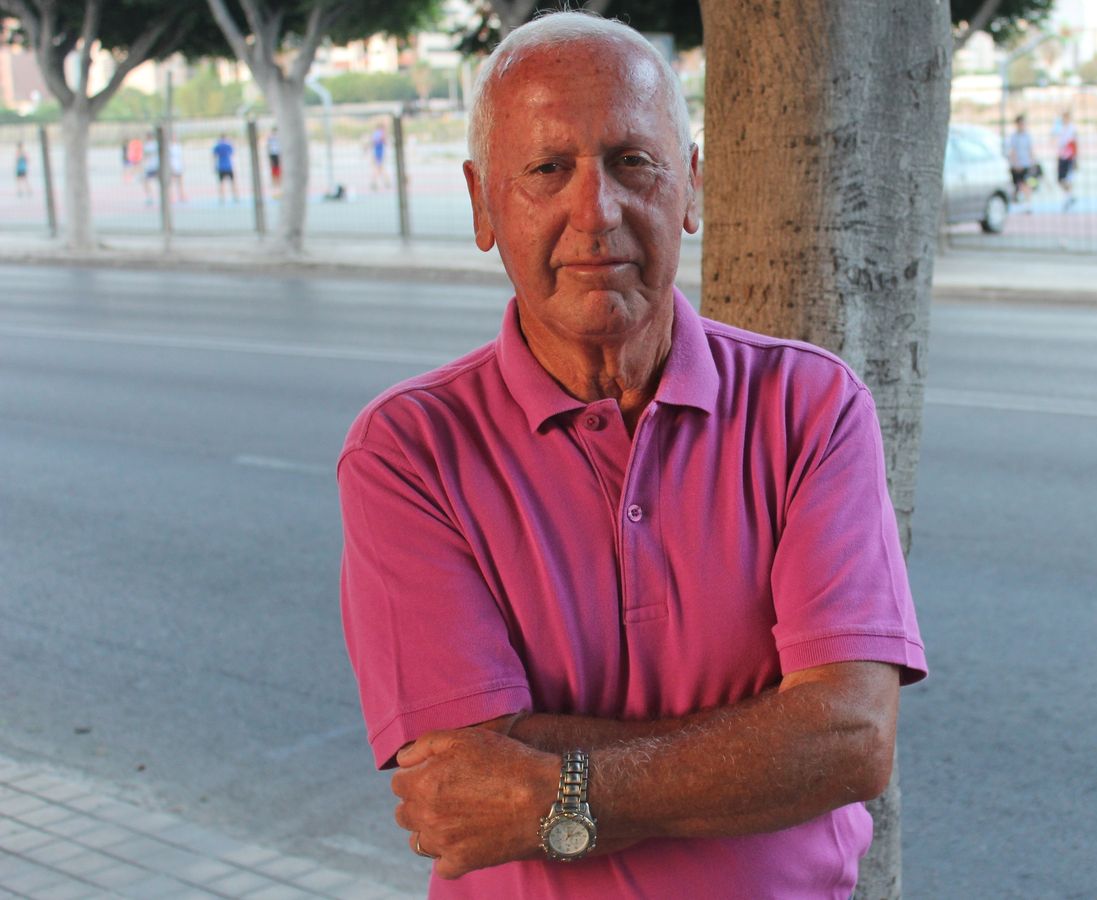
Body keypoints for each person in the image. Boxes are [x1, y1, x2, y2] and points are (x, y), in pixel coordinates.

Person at [337, 11, 925, 899]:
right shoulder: (409, 451)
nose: (596, 211)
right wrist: (762, 741)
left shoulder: (810, 408)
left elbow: (846, 740)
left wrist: (555, 787)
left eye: (632, 162)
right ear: (482, 204)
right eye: (547, 169)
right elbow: (460, 786)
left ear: (689, 187)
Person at [1004, 113, 1034, 204]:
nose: (1022, 126)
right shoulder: (1014, 137)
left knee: (1027, 184)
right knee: (1018, 185)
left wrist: (1032, 162)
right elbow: (1012, 151)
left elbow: (1030, 150)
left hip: (1026, 164)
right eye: (1020, 124)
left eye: (1023, 123)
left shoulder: (1028, 136)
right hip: (1017, 165)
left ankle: (1028, 203)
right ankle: (1019, 200)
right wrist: (1016, 164)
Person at [1051, 109, 1078, 208]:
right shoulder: (1060, 128)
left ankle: (1068, 197)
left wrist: (1075, 159)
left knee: (1068, 179)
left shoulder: (1072, 129)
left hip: (1069, 157)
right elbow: (1054, 139)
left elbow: (1075, 145)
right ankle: (1070, 196)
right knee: (1059, 180)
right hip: (1061, 156)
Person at [212, 133, 239, 204]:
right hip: (228, 166)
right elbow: (232, 155)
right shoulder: (228, 145)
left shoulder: (217, 146)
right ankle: (235, 196)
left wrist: (214, 166)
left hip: (221, 167)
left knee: (221, 183)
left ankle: (222, 198)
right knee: (232, 182)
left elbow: (214, 157)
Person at [369, 121, 391, 190]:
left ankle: (382, 182)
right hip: (378, 153)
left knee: (380, 169)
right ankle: (377, 182)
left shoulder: (376, 133)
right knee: (379, 169)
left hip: (378, 153)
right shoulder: (380, 133)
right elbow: (384, 142)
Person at [266, 127, 282, 194]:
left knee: (278, 170)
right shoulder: (270, 139)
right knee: (273, 170)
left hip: (278, 155)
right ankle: (274, 184)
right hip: (273, 155)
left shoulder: (279, 138)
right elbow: (268, 147)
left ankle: (278, 183)